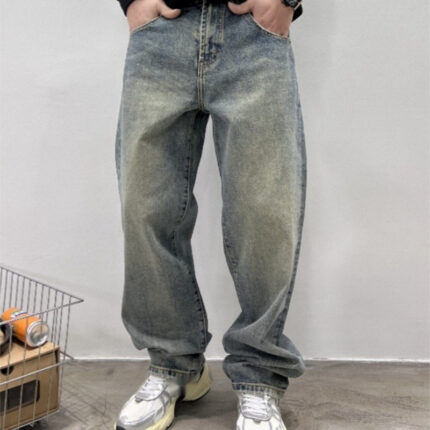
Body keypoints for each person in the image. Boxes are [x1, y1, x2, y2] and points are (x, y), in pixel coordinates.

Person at [113, 0, 307, 427]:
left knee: (264, 214)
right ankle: (173, 365)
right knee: (145, 207)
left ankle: (259, 376)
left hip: (253, 33)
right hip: (160, 35)